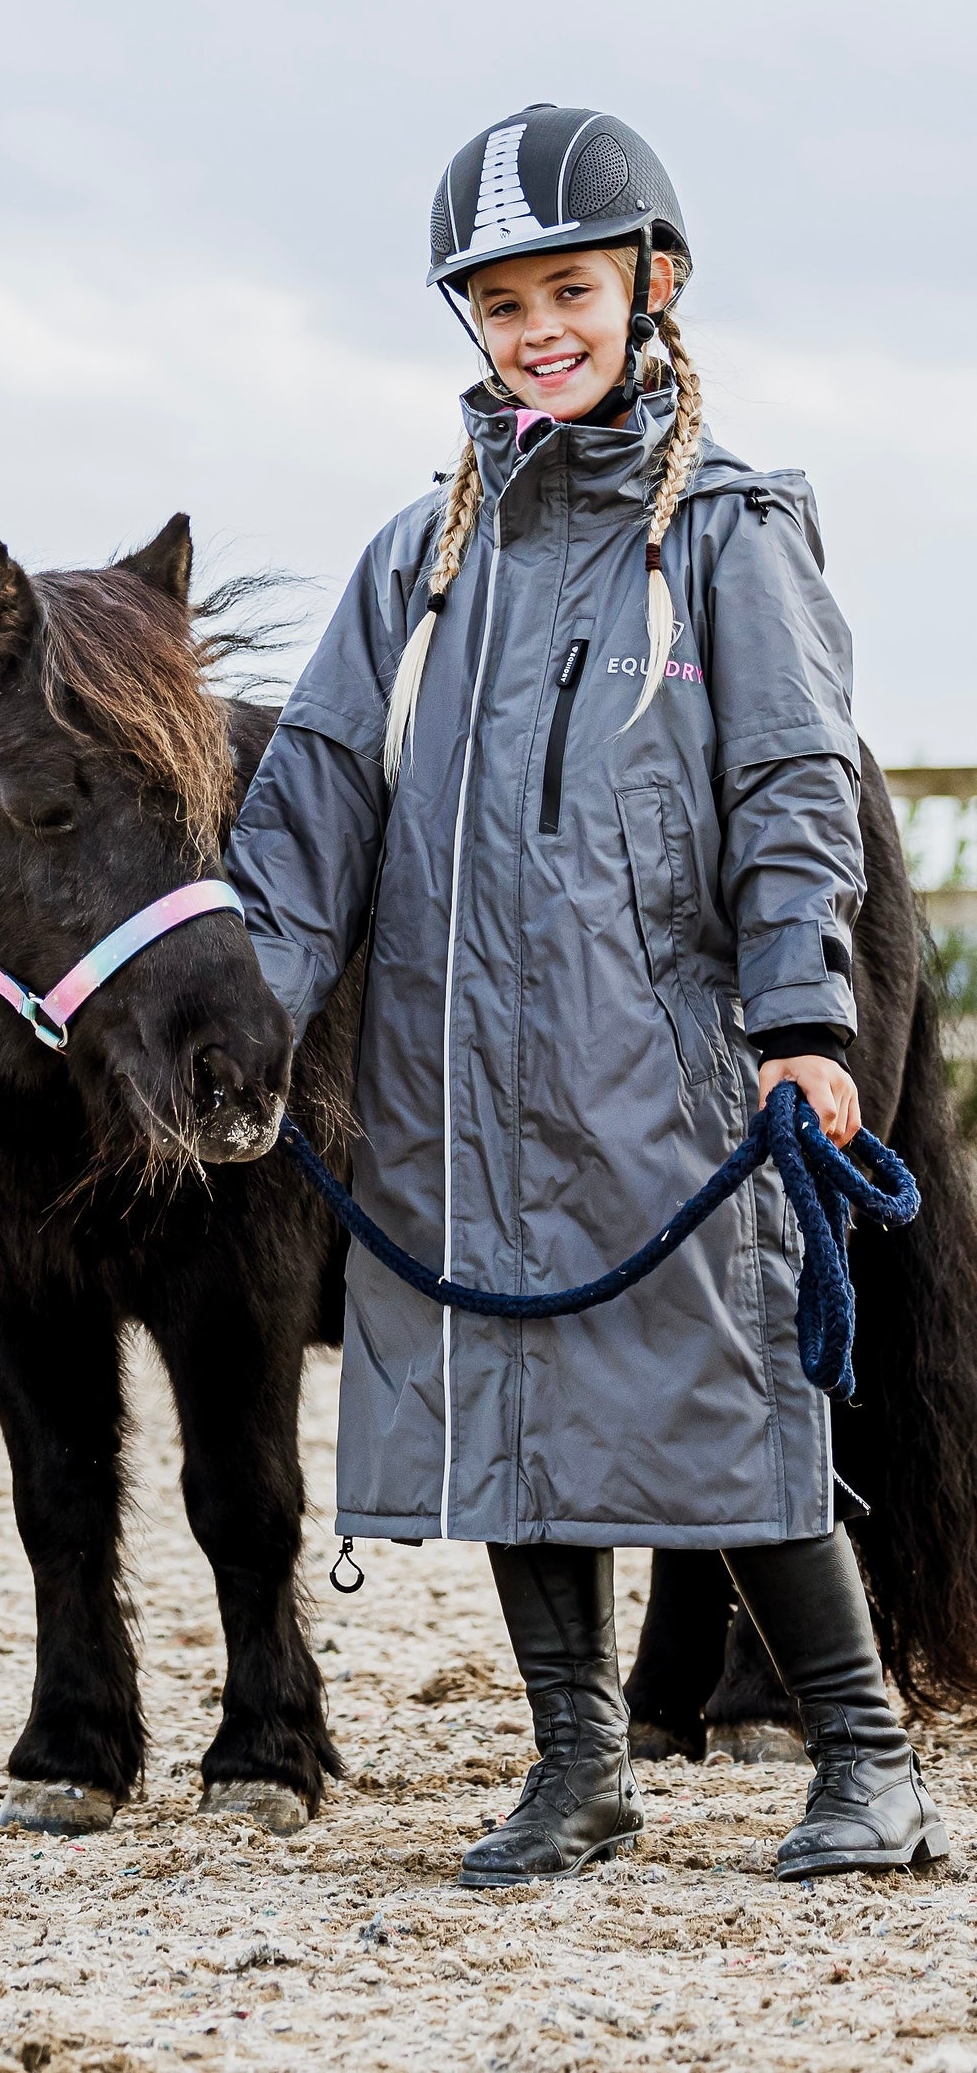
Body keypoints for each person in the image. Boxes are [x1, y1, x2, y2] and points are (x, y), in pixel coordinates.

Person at [226, 102, 948, 1885]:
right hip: (449, 1075)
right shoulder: (420, 554)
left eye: (569, 289)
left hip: (664, 1067)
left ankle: (863, 1753)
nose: (536, 328)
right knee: (502, 1394)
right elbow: (314, 790)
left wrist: (803, 1020)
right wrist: (251, 1003)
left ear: (652, 284)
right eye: (500, 304)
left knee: (724, 1400)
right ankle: (577, 1763)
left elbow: (792, 791)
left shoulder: (729, 537)